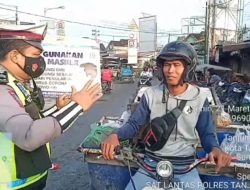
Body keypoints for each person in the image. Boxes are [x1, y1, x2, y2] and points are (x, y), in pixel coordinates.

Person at [101, 41, 232, 190]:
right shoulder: (150, 94)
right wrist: (115, 135)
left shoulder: (200, 98)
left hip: (186, 167)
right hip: (150, 165)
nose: (170, 70)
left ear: (188, 68)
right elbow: (134, 124)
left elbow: (206, 133)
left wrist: (215, 148)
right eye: (167, 65)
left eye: (176, 65)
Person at [0, 24, 102, 190]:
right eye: (35, 55)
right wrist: (77, 106)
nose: (40, 61)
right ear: (14, 56)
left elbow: (31, 121)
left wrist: (59, 108)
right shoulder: (2, 89)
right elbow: (29, 135)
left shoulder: (16, 83)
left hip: (28, 179)